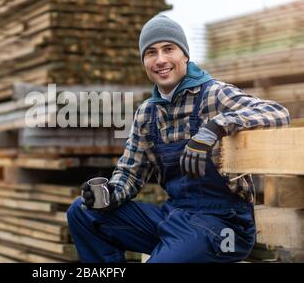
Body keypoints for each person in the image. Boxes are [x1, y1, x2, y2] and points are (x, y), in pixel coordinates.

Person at [67, 14, 290, 263]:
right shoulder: (147, 113)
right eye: (151, 52)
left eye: (168, 49)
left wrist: (214, 128)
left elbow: (278, 113)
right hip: (176, 218)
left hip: (224, 227)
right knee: (82, 212)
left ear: (185, 55)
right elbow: (130, 174)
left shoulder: (213, 95)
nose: (160, 59)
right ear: (144, 61)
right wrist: (109, 194)